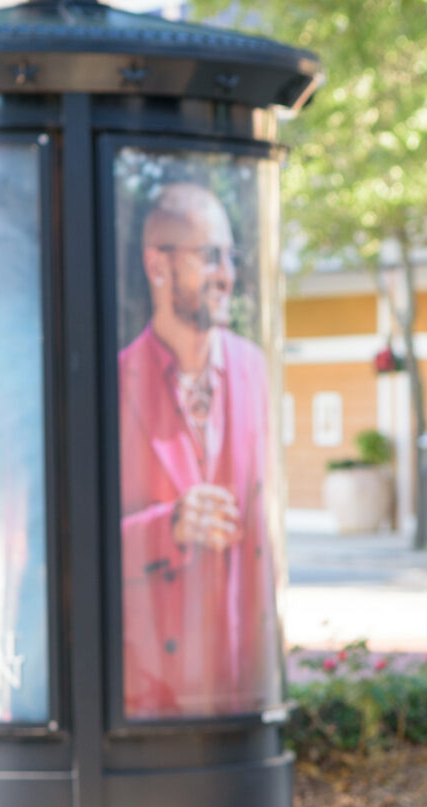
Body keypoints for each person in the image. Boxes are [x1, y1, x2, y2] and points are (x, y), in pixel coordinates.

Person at [117, 180, 275, 719]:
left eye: (230, 256)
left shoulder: (253, 368)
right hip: (151, 695)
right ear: (157, 264)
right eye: (210, 257)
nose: (227, 275)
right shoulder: (116, 383)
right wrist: (171, 527)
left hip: (239, 691)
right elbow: (78, 549)